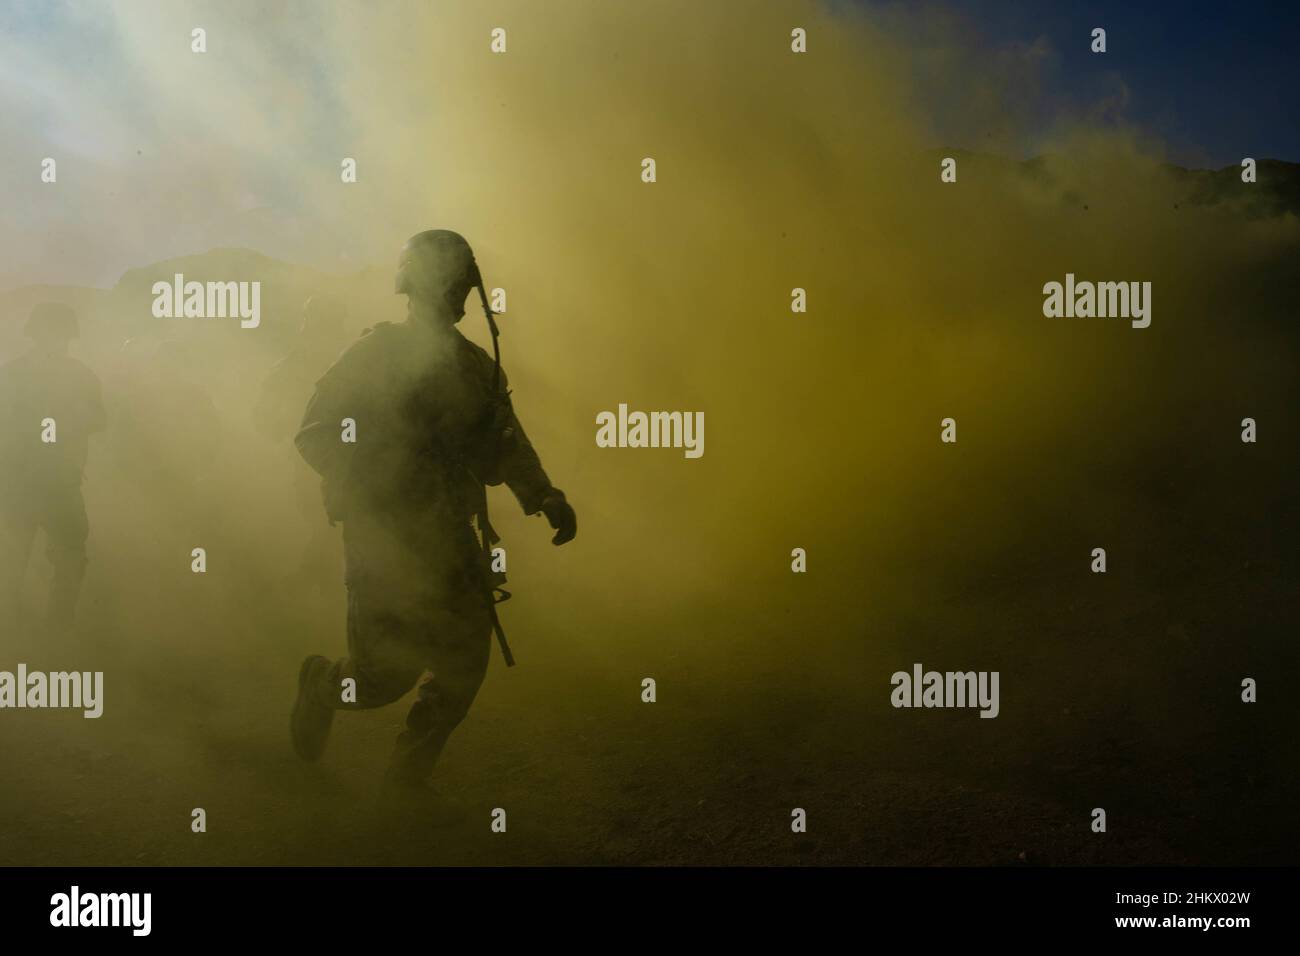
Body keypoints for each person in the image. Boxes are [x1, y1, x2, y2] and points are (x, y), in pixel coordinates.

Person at [290, 230, 576, 797]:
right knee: (379, 680)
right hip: (385, 539)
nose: (457, 295)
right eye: (447, 283)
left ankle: (405, 782)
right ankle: (324, 685)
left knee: (465, 664)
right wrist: (370, 479)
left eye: (462, 284)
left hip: (456, 535)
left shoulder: (474, 365)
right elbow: (316, 432)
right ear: (416, 286)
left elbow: (505, 439)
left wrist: (544, 494)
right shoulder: (374, 354)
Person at [0, 302, 106, 630]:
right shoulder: (77, 375)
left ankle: (39, 626)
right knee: (33, 554)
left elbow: (97, 420)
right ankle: (48, 627)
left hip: (40, 479)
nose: (53, 340)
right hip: (39, 479)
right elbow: (96, 420)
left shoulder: (14, 373)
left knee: (40, 553)